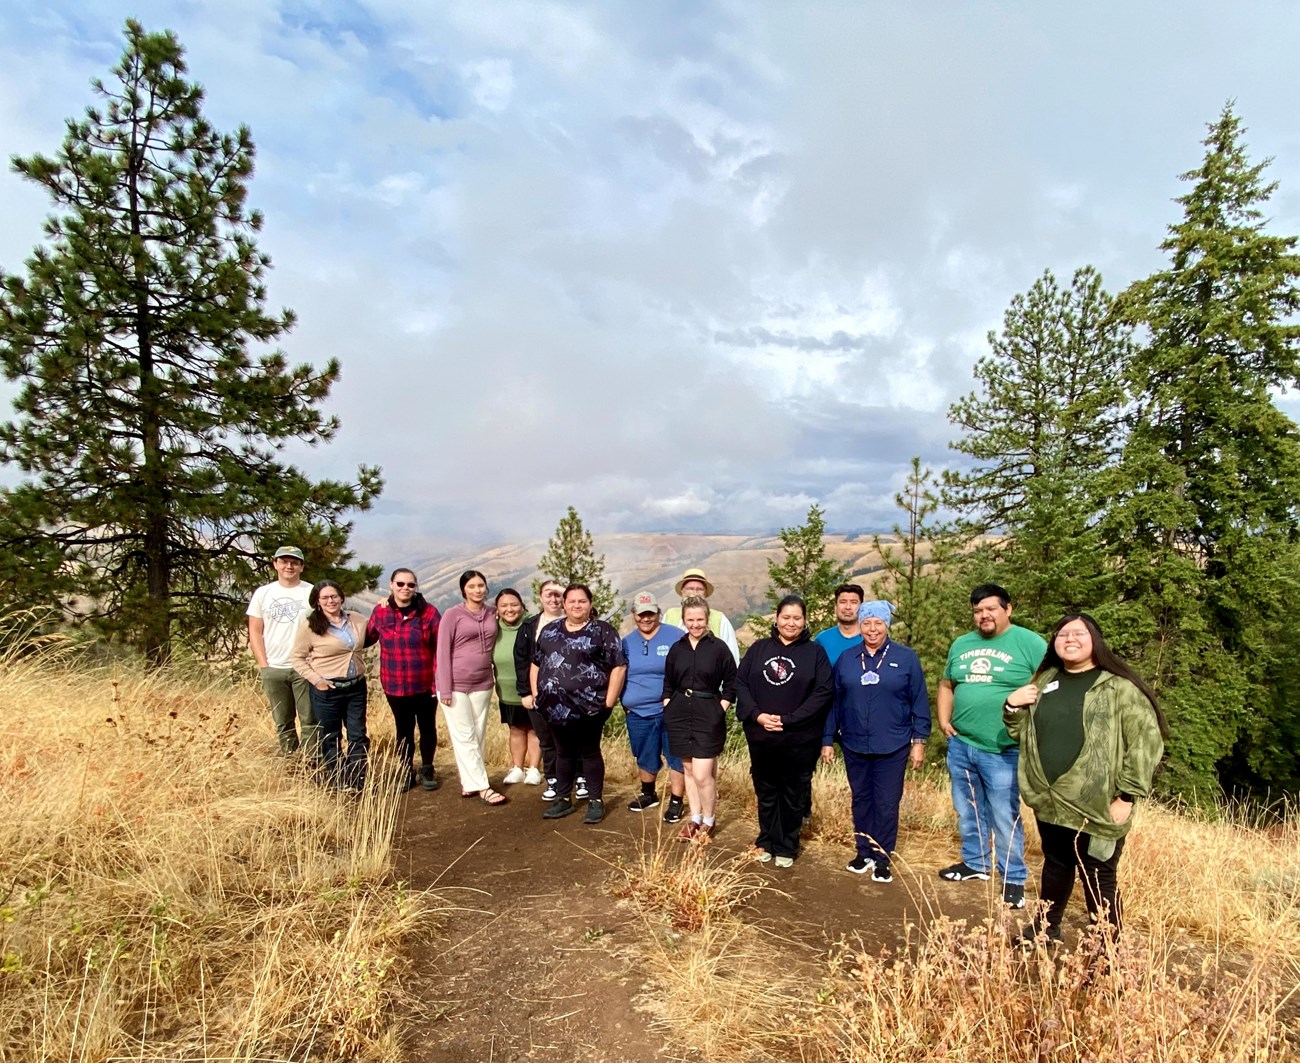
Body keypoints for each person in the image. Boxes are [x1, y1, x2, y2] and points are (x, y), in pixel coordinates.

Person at [1003, 613, 1166, 946]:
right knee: (1056, 864)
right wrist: (1011, 705)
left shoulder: (1119, 688)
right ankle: (1047, 928)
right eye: (1062, 634)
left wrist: (1128, 796)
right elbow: (1022, 733)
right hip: (1050, 800)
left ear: (1095, 640)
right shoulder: (1046, 679)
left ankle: (1107, 950)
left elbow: (1146, 741)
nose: (1070, 639)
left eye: (1078, 633)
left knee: (1098, 876)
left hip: (1097, 802)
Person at [936, 583, 1046, 908]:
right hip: (962, 744)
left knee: (1003, 813)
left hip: (1004, 749)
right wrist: (943, 720)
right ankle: (976, 863)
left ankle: (1013, 879)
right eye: (977, 611)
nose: (983, 615)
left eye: (990, 609)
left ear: (1008, 609)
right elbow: (946, 684)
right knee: (968, 809)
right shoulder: (961, 644)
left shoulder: (1029, 643)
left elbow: (1050, 686)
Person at [821, 601, 930, 883]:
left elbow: (919, 700)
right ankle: (863, 852)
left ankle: (882, 857)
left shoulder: (905, 658)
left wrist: (919, 740)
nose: (871, 629)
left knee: (886, 802)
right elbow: (834, 702)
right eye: (866, 623)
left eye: (877, 623)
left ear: (886, 626)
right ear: (860, 625)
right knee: (861, 800)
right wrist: (827, 740)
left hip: (892, 743)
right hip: (854, 743)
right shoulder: (847, 658)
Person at [736, 594, 834, 867]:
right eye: (786, 617)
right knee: (766, 790)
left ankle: (787, 845)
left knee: (793, 793)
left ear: (805, 622)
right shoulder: (758, 649)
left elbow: (823, 692)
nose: (791, 623)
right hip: (761, 736)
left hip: (799, 738)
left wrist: (790, 719)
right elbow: (741, 684)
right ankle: (766, 839)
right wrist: (757, 715)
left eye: (797, 618)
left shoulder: (815, 653)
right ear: (776, 619)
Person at [531, 584, 627, 825]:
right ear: (564, 604)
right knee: (563, 752)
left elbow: (619, 665)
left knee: (589, 752)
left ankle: (595, 801)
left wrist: (609, 701)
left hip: (590, 708)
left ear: (590, 604)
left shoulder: (602, 631)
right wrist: (536, 694)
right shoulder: (550, 630)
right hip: (553, 708)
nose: (576, 605)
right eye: (571, 601)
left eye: (582, 601)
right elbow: (536, 663)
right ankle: (563, 799)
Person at [662, 595, 738, 842]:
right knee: (687, 768)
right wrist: (668, 705)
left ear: (707, 619)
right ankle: (694, 818)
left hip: (708, 713)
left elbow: (732, 683)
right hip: (680, 713)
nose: (695, 624)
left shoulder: (719, 648)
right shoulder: (677, 649)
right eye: (690, 620)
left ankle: (709, 820)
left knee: (703, 774)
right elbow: (668, 683)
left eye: (699, 619)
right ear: (683, 620)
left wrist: (720, 708)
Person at [364, 567, 441, 792]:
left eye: (410, 585)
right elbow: (367, 637)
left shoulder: (429, 613)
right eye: (400, 584)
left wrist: (438, 682)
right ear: (391, 585)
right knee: (403, 729)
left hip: (425, 683)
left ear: (415, 587)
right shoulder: (381, 612)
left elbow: (440, 648)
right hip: (394, 683)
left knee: (427, 727)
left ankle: (427, 769)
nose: (405, 588)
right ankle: (406, 771)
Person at [290, 580, 369, 792]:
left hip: (356, 687)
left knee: (357, 734)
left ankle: (357, 779)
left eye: (334, 596)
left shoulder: (358, 620)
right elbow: (297, 658)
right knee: (331, 736)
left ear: (341, 598)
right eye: (324, 598)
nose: (330, 601)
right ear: (317, 602)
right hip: (328, 690)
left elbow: (374, 634)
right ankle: (338, 779)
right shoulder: (310, 626)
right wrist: (317, 680)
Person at [436, 570, 506, 806]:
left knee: (477, 734)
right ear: (463, 589)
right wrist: (444, 688)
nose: (477, 590)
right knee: (464, 735)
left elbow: (516, 613)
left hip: (483, 683)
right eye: (472, 586)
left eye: (481, 586)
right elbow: (442, 652)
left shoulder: (491, 613)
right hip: (455, 684)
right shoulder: (452, 615)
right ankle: (483, 786)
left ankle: (469, 781)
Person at [619, 591, 686, 821]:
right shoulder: (626, 642)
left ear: (658, 612)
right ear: (634, 615)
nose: (646, 619)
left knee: (676, 756)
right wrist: (623, 702)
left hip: (671, 711)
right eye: (641, 614)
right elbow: (619, 674)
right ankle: (649, 794)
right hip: (637, 712)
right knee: (644, 755)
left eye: (650, 614)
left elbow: (687, 670)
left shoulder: (676, 636)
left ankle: (677, 801)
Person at [247, 546, 316, 759]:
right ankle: (290, 760)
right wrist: (264, 665)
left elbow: (322, 626)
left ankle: (312, 762)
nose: (289, 566)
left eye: (294, 562)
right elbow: (255, 631)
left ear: (301, 567)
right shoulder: (263, 593)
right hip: (274, 667)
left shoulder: (311, 592)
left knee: (310, 720)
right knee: (283, 720)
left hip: (305, 666)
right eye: (284, 561)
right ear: (275, 564)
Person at [514, 580, 568, 800]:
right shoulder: (530, 626)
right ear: (540, 597)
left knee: (571, 739)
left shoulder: (574, 621)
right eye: (549, 594)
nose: (554, 599)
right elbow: (521, 660)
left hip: (569, 694)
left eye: (558, 595)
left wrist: (566, 593)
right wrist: (525, 692)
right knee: (546, 740)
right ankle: (553, 779)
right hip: (539, 694)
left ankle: (575, 778)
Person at [493, 588, 542, 786]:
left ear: (522, 606)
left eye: (514, 605)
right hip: (506, 690)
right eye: (504, 605)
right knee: (515, 729)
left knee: (533, 730)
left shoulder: (532, 624)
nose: (509, 609)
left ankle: (534, 769)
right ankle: (517, 767)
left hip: (531, 689)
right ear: (497, 609)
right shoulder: (493, 628)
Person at [662, 568, 740, 664]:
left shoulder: (720, 619)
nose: (694, 593)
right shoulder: (669, 616)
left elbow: (732, 656)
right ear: (682, 591)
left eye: (699, 589)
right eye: (690, 588)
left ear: (705, 593)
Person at [814, 583, 866, 667]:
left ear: (862, 607)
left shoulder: (871, 638)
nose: (848, 607)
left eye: (853, 602)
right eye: (843, 602)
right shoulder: (822, 639)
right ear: (835, 607)